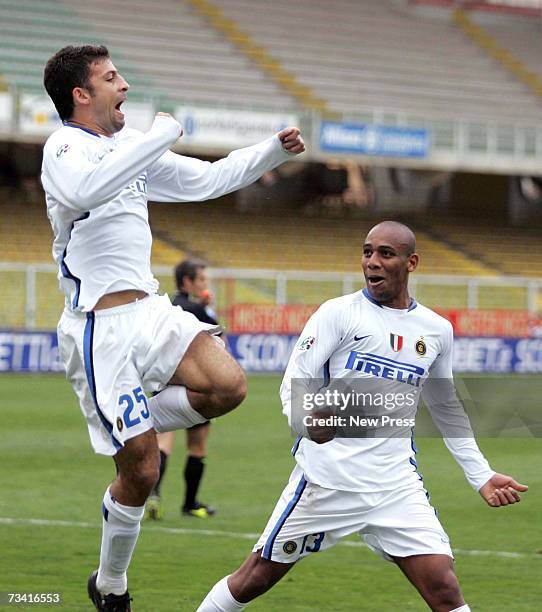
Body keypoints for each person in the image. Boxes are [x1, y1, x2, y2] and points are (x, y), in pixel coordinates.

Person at [41, 44, 305, 612]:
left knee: (228, 385)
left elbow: (208, 180)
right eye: (112, 78)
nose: (125, 86)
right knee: (141, 468)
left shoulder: (132, 150)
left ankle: (124, 422)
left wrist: (269, 153)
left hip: (150, 311)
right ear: (81, 95)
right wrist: (160, 135)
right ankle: (110, 586)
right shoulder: (63, 148)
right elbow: (87, 192)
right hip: (98, 326)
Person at [197, 221, 528, 612]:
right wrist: (308, 421)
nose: (372, 262)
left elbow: (446, 407)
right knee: (254, 577)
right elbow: (293, 384)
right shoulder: (338, 313)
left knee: (444, 588)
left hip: (394, 485)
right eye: (367, 252)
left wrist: (481, 475)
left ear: (411, 262)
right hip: (327, 481)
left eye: (385, 254)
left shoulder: (436, 330)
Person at [146, 259, 220, 520]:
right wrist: (208, 312)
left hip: (166, 380)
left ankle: (153, 495)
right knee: (197, 446)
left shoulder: (166, 307)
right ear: (188, 281)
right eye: (201, 280)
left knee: (163, 443)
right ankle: (190, 504)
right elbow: (218, 344)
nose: (205, 284)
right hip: (196, 386)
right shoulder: (197, 310)